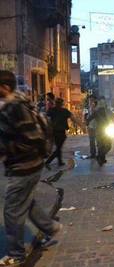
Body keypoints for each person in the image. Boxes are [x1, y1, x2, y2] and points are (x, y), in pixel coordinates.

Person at [0, 70, 62, 266]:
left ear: (5, 87)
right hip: (27, 166)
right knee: (26, 202)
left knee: (11, 210)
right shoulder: (14, 104)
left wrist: (6, 149)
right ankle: (50, 228)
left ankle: (16, 255)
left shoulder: (16, 108)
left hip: (24, 166)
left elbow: (32, 138)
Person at [45, 98, 80, 169]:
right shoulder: (64, 111)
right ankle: (48, 162)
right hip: (61, 132)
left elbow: (46, 118)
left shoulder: (52, 110)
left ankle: (60, 161)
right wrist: (80, 124)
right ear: (62, 104)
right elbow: (73, 118)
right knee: (58, 148)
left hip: (54, 132)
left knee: (58, 146)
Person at [87, 98, 114, 166]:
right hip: (102, 130)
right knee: (106, 145)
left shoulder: (104, 111)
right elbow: (89, 119)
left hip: (101, 130)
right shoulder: (100, 111)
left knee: (103, 145)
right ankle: (101, 159)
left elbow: (89, 119)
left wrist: (87, 123)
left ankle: (100, 157)